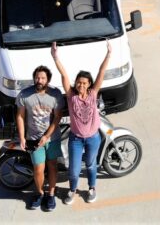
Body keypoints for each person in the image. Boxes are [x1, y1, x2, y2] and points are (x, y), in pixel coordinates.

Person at [51, 40, 111, 205]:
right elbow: (64, 75)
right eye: (79, 82)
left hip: (93, 138)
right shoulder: (71, 96)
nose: (81, 85)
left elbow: (102, 71)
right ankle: (72, 190)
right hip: (76, 139)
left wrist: (108, 54)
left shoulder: (93, 94)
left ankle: (91, 188)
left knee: (91, 165)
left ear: (89, 84)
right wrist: (55, 57)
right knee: (74, 169)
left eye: (84, 83)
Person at [15, 65, 64, 211]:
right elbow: (20, 116)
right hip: (34, 139)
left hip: (52, 138)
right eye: (37, 77)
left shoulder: (56, 95)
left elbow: (57, 117)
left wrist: (47, 136)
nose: (39, 80)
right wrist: (22, 137)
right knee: (38, 169)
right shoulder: (24, 95)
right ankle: (40, 193)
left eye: (43, 78)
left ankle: (52, 194)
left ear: (48, 80)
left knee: (53, 167)